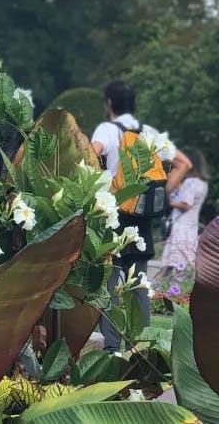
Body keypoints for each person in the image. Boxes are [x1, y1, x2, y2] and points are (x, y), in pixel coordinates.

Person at [89, 80, 183, 354]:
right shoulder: (147, 131)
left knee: (110, 283)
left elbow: (92, 153)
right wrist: (162, 193)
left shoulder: (107, 129)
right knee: (139, 283)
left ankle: (112, 348)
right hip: (141, 218)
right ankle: (142, 347)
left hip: (114, 214)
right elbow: (182, 163)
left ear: (108, 104)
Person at [155, 148, 209, 292]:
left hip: (180, 227)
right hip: (191, 227)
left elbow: (186, 203)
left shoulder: (191, 182)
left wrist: (169, 201)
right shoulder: (203, 184)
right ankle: (175, 293)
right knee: (182, 265)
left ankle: (157, 291)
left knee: (171, 264)